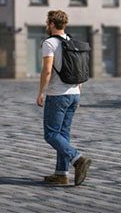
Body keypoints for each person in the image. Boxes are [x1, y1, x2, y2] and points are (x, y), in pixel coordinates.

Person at [36, 10, 92, 186]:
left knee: (51, 134)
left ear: (52, 24)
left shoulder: (50, 43)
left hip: (58, 95)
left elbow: (47, 70)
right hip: (75, 93)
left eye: (48, 23)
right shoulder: (72, 42)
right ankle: (61, 174)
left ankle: (77, 158)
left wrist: (41, 92)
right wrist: (78, 88)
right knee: (63, 135)